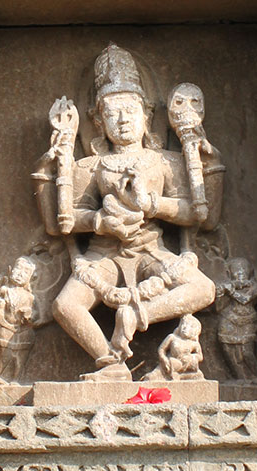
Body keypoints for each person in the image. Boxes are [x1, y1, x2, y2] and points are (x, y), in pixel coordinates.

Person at [33, 44, 224, 381]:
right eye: (111, 113)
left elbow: (195, 214)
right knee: (65, 306)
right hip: (103, 256)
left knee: (203, 289)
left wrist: (153, 205)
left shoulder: (165, 160)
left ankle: (137, 315)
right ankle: (109, 362)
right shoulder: (91, 166)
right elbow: (64, 222)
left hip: (152, 251)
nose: (122, 121)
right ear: (97, 120)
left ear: (146, 115)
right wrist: (99, 222)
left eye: (130, 111)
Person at [216, 257, 257, 383]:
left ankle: (255, 376)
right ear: (230, 274)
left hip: (247, 319)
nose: (240, 275)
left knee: (246, 352)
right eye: (236, 272)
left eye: (243, 271)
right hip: (229, 317)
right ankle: (240, 376)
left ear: (249, 272)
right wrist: (220, 292)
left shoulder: (256, 286)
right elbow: (217, 307)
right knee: (228, 349)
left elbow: (245, 300)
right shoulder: (230, 285)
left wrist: (230, 291)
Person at [0, 257, 37, 384]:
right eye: (18, 269)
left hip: (22, 330)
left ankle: (17, 379)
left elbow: (35, 315)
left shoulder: (30, 297)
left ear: (31, 278)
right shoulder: (4, 290)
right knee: (5, 354)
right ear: (10, 270)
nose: (20, 274)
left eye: (26, 272)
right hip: (5, 326)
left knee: (20, 357)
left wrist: (29, 315)